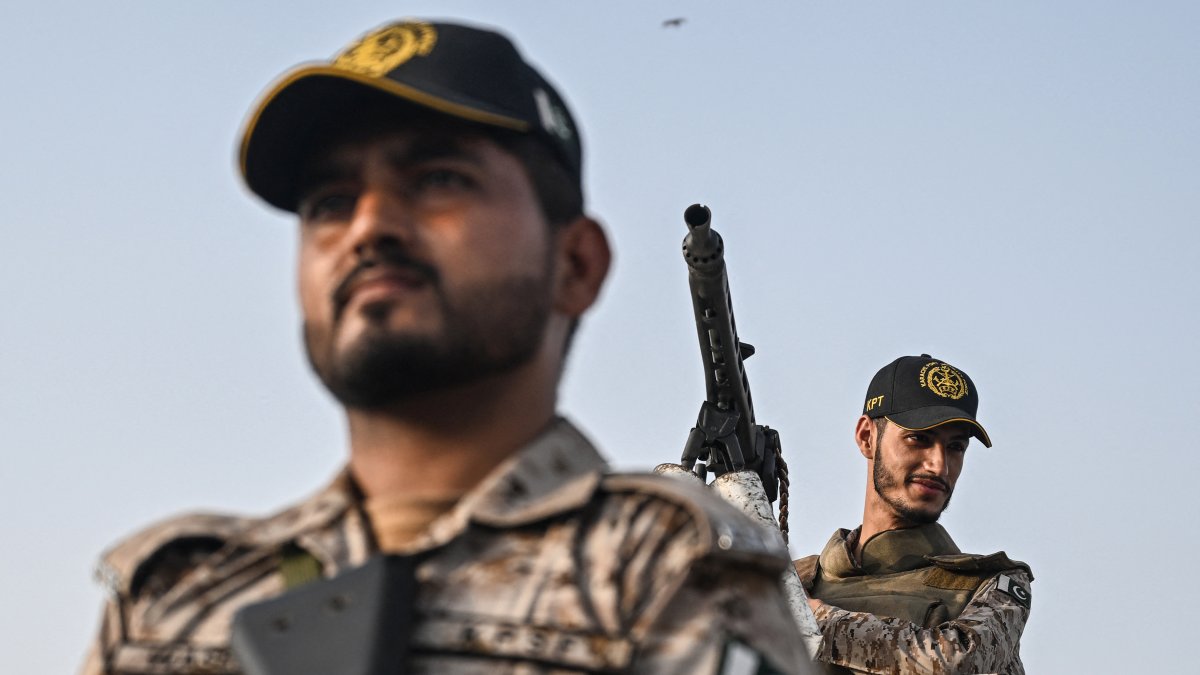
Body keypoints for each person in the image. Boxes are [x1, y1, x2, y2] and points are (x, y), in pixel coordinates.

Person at [80, 19, 816, 675]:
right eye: (330, 202)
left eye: (437, 179)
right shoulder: (171, 600)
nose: (368, 226)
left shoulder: (664, 575)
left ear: (576, 264)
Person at [795, 355, 1032, 674]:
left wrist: (815, 621)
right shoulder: (795, 581)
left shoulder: (992, 584)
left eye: (956, 447)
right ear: (867, 437)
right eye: (919, 439)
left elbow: (957, 662)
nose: (940, 466)